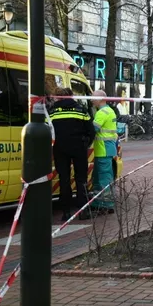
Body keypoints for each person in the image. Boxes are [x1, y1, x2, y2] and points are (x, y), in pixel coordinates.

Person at [49, 88, 96, 222]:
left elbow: (48, 130)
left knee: (64, 179)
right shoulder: (80, 109)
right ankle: (82, 212)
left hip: (60, 149)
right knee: (81, 180)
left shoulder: (52, 111)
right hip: (78, 148)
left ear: (58, 97)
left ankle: (66, 212)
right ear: (71, 96)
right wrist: (85, 143)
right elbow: (91, 131)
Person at [91, 91, 118, 214]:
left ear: (101, 99)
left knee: (103, 178)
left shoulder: (101, 113)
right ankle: (99, 202)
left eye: (93, 98)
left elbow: (93, 130)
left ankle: (106, 204)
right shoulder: (109, 110)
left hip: (103, 149)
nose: (91, 100)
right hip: (106, 149)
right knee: (100, 178)